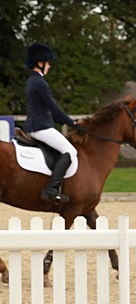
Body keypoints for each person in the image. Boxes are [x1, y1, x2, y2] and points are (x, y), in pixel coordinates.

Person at [23, 43, 78, 207]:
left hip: (35, 125)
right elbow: (53, 108)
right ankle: (51, 189)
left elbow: (48, 110)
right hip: (41, 127)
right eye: (48, 62)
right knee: (70, 150)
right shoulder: (39, 82)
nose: (50, 65)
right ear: (40, 63)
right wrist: (72, 123)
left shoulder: (32, 81)